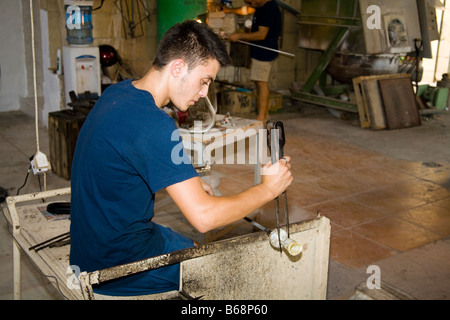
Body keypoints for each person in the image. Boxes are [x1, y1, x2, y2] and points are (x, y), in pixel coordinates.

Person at [70, 20, 292, 297]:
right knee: (229, 275)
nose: (204, 94)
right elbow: (204, 218)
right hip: (116, 267)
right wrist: (267, 189)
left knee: (190, 245)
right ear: (177, 68)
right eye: (204, 81)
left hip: (88, 250)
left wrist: (188, 181)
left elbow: (129, 160)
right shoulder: (153, 123)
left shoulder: (119, 93)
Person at [224, 0, 282, 122]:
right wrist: (228, 10)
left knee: (262, 83)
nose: (250, 5)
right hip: (258, 51)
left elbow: (261, 35)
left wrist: (239, 36)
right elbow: (246, 9)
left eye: (251, 2)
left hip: (264, 52)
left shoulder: (269, 8)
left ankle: (261, 118)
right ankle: (264, 114)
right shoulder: (260, 6)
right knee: (258, 82)